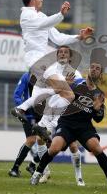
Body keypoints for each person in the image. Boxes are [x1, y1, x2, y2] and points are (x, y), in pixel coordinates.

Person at [30, 62, 107, 191]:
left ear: (100, 75)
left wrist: (96, 109)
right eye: (92, 67)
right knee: (54, 148)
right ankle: (38, 173)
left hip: (85, 126)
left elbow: (98, 119)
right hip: (67, 122)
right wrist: (65, 86)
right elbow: (58, 96)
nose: (94, 70)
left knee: (96, 148)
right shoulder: (76, 84)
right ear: (88, 70)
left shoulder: (99, 94)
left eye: (97, 69)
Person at [11, 0, 93, 122]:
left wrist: (79, 37)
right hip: (35, 60)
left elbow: (58, 38)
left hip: (43, 60)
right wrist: (60, 14)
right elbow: (44, 24)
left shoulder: (41, 16)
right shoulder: (26, 15)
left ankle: (38, 121)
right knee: (64, 90)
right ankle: (34, 116)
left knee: (68, 94)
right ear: (32, 1)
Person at [35, 46, 85, 185]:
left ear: (70, 57)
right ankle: (45, 172)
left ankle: (79, 177)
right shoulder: (50, 71)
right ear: (57, 56)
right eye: (60, 52)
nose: (63, 54)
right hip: (49, 109)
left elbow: (79, 93)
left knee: (73, 145)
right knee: (39, 138)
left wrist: (69, 86)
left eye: (66, 52)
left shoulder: (75, 73)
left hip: (65, 113)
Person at [8, 72, 42, 177]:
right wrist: (23, 108)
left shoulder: (48, 75)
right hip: (29, 114)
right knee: (31, 140)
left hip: (43, 114)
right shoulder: (26, 76)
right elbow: (17, 95)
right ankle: (15, 168)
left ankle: (32, 165)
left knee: (47, 141)